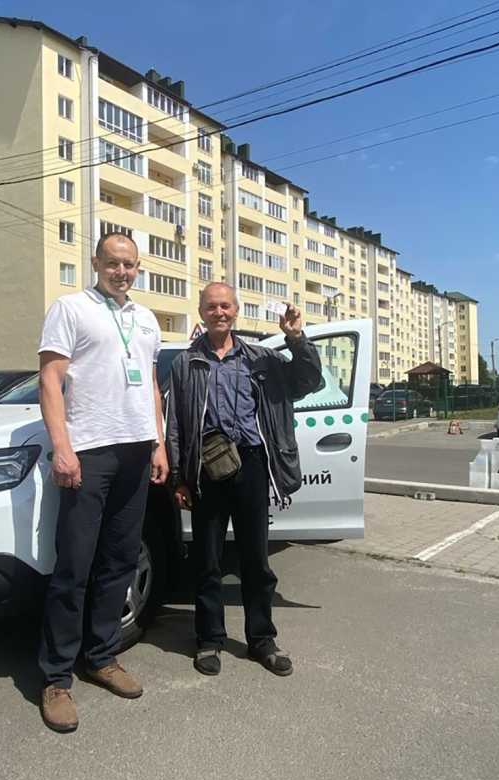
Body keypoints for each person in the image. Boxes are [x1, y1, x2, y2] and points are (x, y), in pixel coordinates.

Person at [36, 232, 168, 733]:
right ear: (95, 262)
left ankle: (102, 656)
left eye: (130, 265)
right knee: (74, 566)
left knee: (119, 561)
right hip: (89, 452)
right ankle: (55, 678)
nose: (122, 272)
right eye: (113, 263)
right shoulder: (70, 308)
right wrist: (62, 447)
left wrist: (158, 442)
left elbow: (151, 383)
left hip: (136, 451)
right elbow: (50, 379)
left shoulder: (147, 318)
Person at [165, 283, 321, 677]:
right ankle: (209, 640)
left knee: (255, 559)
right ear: (201, 311)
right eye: (212, 306)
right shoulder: (187, 363)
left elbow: (308, 381)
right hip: (206, 469)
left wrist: (296, 337)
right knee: (208, 560)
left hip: (251, 463)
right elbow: (177, 426)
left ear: (235, 311)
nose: (219, 312)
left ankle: (262, 639)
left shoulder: (262, 358)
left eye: (226, 306)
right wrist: (181, 479)